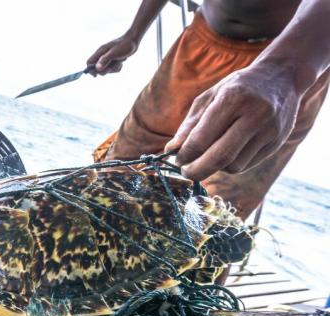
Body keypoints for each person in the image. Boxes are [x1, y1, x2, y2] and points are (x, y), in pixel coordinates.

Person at [88, 0, 330, 219]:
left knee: (219, 214)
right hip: (200, 43)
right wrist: (133, 34)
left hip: (294, 60)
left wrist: (288, 70)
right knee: (111, 178)